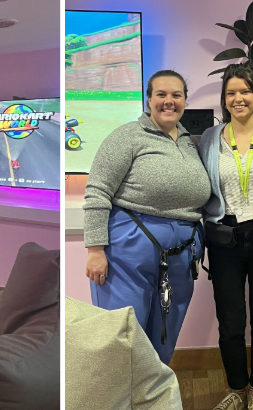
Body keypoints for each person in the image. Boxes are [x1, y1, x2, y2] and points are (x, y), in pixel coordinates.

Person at [83, 69, 211, 364]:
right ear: (148, 99)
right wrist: (95, 250)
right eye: (161, 95)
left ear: (185, 100)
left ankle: (152, 396)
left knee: (165, 330)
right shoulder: (127, 136)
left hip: (182, 252)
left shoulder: (192, 143)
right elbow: (97, 191)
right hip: (128, 251)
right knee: (124, 332)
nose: (169, 101)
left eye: (176, 95)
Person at [198, 64, 253, 410]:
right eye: (231, 93)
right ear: (224, 99)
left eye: (245, 91)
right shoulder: (210, 137)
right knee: (230, 320)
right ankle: (236, 388)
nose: (238, 98)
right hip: (225, 240)